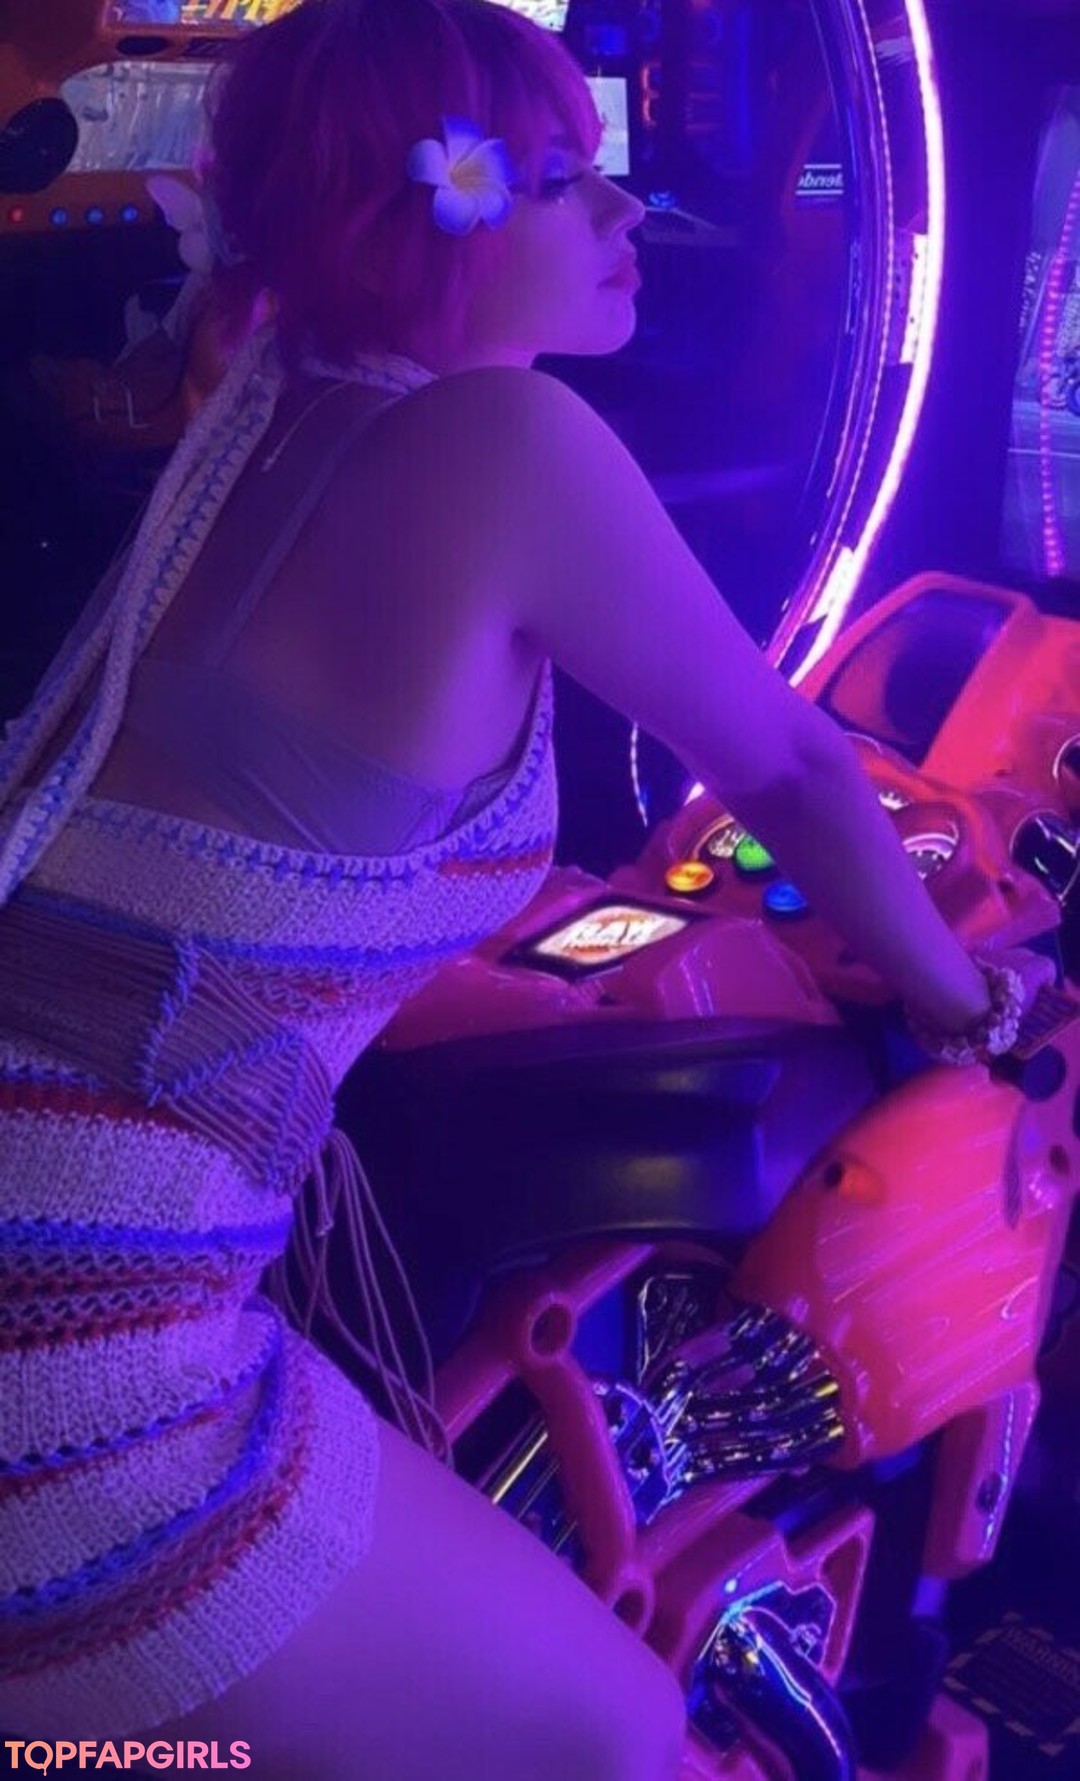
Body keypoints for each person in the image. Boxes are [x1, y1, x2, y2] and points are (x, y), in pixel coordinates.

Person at [0, 0, 1047, 1774]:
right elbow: (794, 772)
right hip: (75, 1345)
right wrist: (964, 1000)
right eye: (560, 180)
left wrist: (568, 960)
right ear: (420, 220)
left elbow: (271, 879)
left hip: (55, 1226)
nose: (629, 207)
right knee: (613, 1737)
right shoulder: (505, 440)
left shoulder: (265, 422)